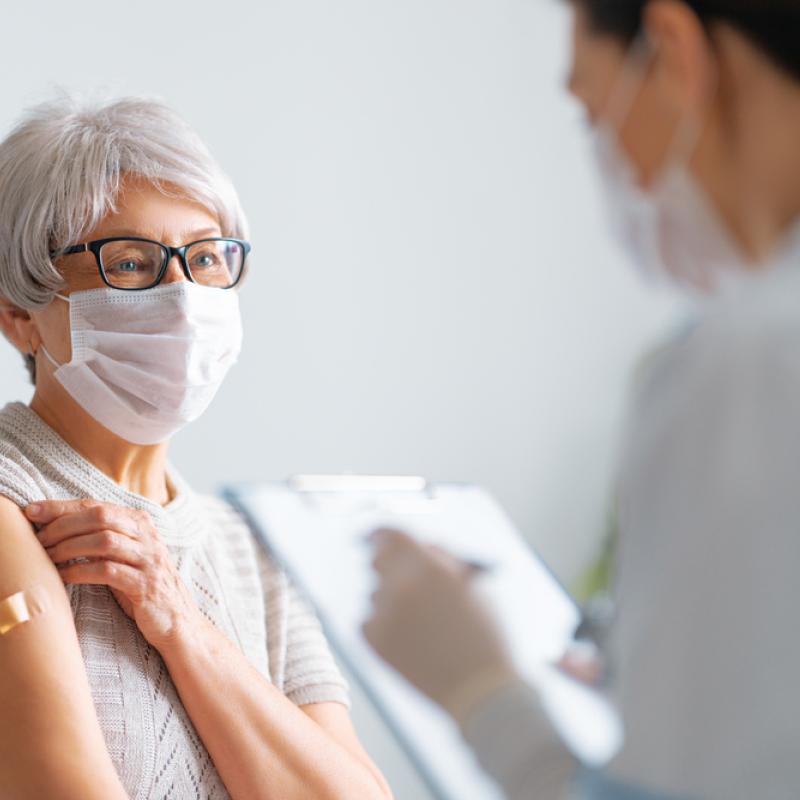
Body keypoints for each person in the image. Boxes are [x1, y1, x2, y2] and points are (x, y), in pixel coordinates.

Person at [363, 1, 800, 798]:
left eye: (594, 111)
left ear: (671, 54)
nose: (619, 169)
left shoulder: (749, 365)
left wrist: (479, 691)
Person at [0, 95, 392, 800]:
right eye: (129, 262)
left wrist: (179, 619)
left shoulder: (252, 549)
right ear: (20, 318)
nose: (183, 295)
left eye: (206, 257)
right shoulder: (13, 503)